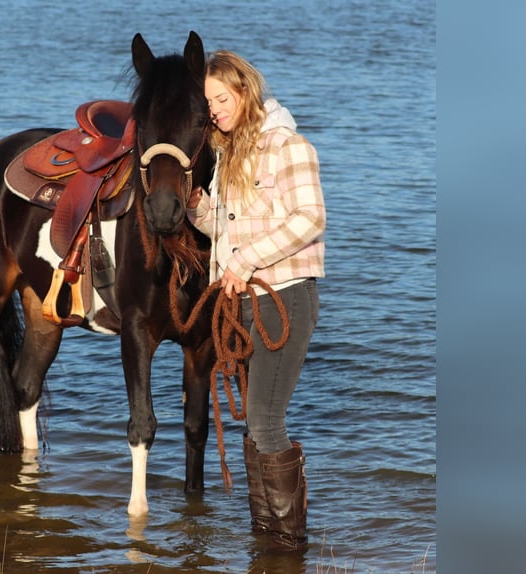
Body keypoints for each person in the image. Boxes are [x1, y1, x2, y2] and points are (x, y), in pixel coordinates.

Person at [187, 50, 326, 552]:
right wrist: (202, 211)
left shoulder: (288, 145)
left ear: (245, 92)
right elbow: (228, 232)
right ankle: (267, 538)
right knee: (255, 418)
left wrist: (246, 262)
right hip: (245, 302)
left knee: (266, 420)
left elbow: (311, 217)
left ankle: (289, 542)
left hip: (285, 296)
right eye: (209, 102)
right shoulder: (228, 154)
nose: (215, 111)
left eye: (221, 99)